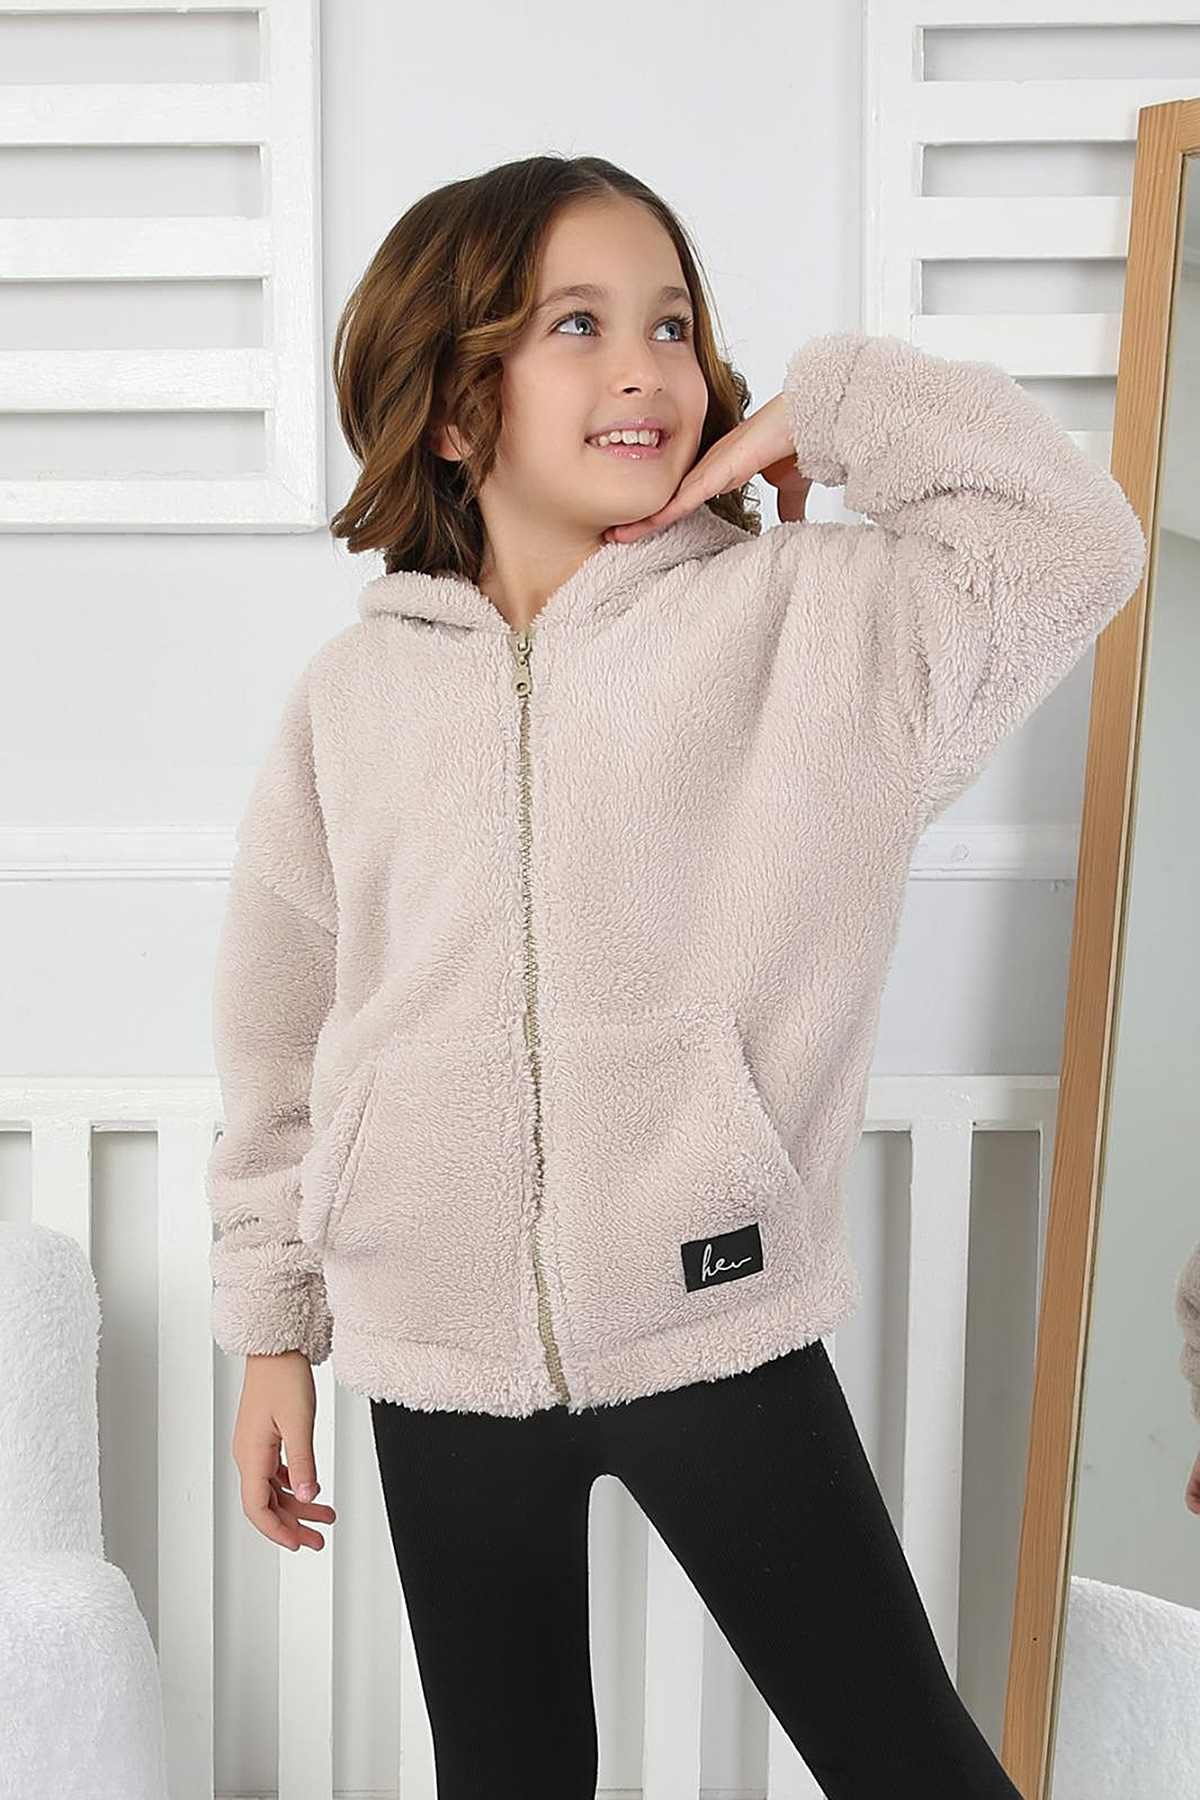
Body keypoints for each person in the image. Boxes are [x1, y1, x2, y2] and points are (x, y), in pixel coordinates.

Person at [205, 154, 1147, 1797]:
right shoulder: (351, 698)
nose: (648, 367)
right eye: (577, 325)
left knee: (909, 1763)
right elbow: (280, 1031)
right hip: (432, 1344)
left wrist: (832, 409)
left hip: (716, 1316)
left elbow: (1077, 543)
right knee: (506, 1779)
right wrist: (273, 1328)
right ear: (452, 408)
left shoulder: (818, 628)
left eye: (672, 324)